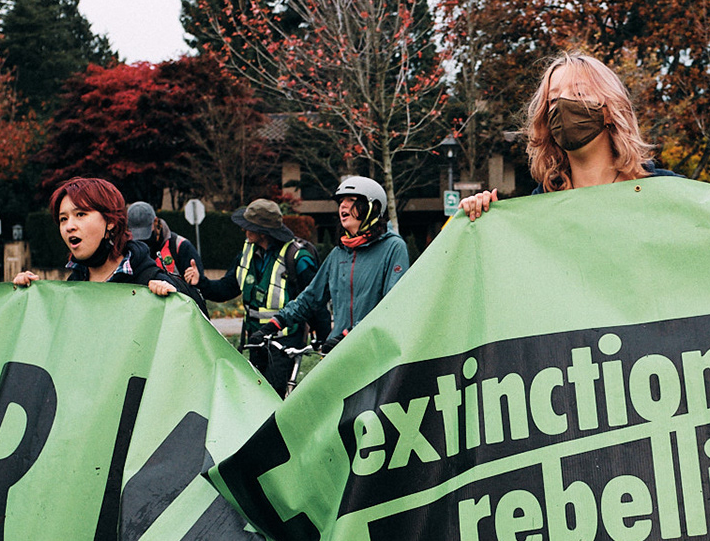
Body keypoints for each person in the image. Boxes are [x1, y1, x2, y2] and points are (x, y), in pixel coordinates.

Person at [4, 177, 186, 541]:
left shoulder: (153, 275)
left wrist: (174, 301)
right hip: (81, 457)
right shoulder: (69, 287)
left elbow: (194, 335)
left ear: (111, 221)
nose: (69, 227)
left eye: (80, 215)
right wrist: (32, 300)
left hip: (144, 454)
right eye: (62, 219)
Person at [458, 52, 679, 219]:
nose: (563, 105)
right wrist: (486, 216)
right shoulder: (539, 210)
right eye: (553, 100)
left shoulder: (667, 192)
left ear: (611, 111)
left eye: (579, 93)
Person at [261, 176, 409, 353]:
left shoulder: (393, 247)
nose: (343, 206)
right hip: (339, 351)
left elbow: (391, 306)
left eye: (351, 200)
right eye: (341, 202)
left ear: (373, 207)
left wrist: (348, 335)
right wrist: (275, 323)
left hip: (374, 351)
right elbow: (310, 298)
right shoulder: (339, 253)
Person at [195, 198, 319, 393]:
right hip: (256, 340)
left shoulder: (297, 258)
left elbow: (314, 300)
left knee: (273, 397)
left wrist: (324, 341)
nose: (245, 230)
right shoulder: (247, 251)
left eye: (249, 227)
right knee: (258, 395)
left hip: (284, 343)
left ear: (264, 231)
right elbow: (227, 288)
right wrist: (200, 282)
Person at [126, 201, 203, 307]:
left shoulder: (179, 246)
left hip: (176, 310)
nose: (141, 241)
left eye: (145, 234)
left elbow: (200, 289)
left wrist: (195, 281)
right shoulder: (127, 250)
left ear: (156, 222)